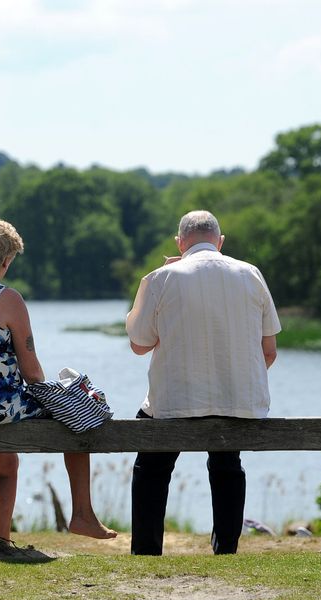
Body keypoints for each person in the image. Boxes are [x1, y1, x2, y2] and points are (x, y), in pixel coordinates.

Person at [0, 212, 116, 543]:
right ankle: (82, 515)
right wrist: (57, 396)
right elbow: (32, 373)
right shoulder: (5, 298)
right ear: (5, 258)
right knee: (80, 407)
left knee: (6, 464)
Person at [125, 210, 280, 555]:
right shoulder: (251, 274)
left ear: (179, 243)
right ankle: (226, 546)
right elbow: (268, 351)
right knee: (227, 465)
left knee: (151, 467)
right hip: (239, 402)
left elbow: (139, 345)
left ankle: (147, 549)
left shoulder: (161, 278)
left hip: (174, 403)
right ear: (220, 242)